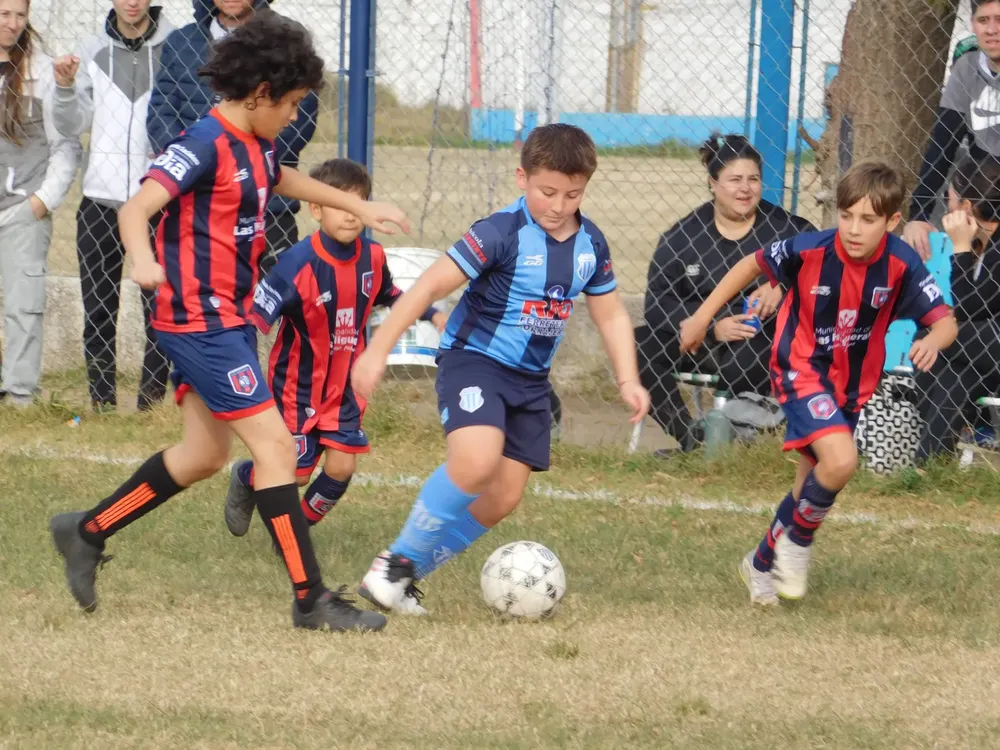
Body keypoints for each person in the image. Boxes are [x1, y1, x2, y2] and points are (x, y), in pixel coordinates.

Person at [49, 14, 410, 633]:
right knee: (275, 449)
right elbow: (138, 207)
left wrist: (356, 204)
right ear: (261, 93)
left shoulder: (256, 144)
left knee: (202, 455)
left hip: (229, 321)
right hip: (198, 323)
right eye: (293, 103)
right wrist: (140, 257)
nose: (295, 116)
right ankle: (311, 600)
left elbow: (281, 177)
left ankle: (85, 531)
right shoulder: (205, 142)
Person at [349, 123, 651, 615]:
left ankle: (405, 578)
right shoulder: (499, 232)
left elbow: (612, 312)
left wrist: (628, 378)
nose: (558, 205)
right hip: (476, 362)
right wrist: (377, 349)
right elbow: (426, 288)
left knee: (503, 496)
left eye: (572, 194)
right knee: (476, 460)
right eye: (547, 191)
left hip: (530, 382)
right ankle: (393, 564)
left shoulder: (591, 245)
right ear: (522, 178)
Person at [679, 161, 958, 606]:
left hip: (852, 386)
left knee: (816, 479)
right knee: (842, 461)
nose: (853, 228)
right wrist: (700, 316)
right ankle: (799, 544)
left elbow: (946, 321)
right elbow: (751, 264)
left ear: (891, 223)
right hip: (801, 369)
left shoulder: (901, 263)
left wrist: (934, 340)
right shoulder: (811, 250)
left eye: (867, 220)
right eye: (846, 215)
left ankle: (760, 561)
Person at [224, 158, 446, 534]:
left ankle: (296, 532)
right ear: (315, 209)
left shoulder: (373, 258)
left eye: (357, 204)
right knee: (294, 474)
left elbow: (392, 295)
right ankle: (246, 476)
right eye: (339, 205)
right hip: (296, 390)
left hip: (344, 390)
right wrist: (240, 367)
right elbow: (255, 319)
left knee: (342, 467)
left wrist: (433, 314)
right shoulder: (296, 264)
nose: (350, 215)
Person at [639, 133, 815, 452]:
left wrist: (784, 284)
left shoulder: (788, 229)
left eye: (753, 179)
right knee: (639, 344)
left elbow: (823, 268)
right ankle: (691, 438)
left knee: (749, 355)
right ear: (713, 183)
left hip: (759, 341)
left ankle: (735, 439)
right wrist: (712, 326)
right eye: (734, 179)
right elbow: (657, 304)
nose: (745, 188)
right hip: (701, 339)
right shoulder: (682, 236)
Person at [50, 0, 174, 412]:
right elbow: (72, 125)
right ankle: (101, 401)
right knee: (99, 306)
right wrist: (65, 88)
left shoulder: (176, 46)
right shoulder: (89, 50)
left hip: (156, 200)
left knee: (159, 308)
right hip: (100, 201)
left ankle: (150, 403)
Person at [147, 0, 316, 273]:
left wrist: (243, 156)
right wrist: (199, 160)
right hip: (193, 205)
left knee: (270, 301)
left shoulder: (287, 37)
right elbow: (160, 112)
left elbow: (300, 120)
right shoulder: (182, 41)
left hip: (268, 209)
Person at [0, 0, 81, 407]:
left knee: (22, 308)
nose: (13, 24)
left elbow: (66, 143)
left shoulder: (41, 71)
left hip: (21, 211)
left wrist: (42, 201)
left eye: (19, 14)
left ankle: (18, 396)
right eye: (4, 14)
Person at [916, 155, 1000, 460]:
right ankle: (926, 465)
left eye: (948, 200)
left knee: (934, 337)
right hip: (985, 351)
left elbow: (965, 308)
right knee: (956, 372)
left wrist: (961, 247)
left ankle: (930, 460)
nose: (946, 210)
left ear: (966, 208)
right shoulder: (988, 246)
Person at [903, 0, 1000, 260]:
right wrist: (919, 214)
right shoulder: (966, 69)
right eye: (983, 20)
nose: (992, 29)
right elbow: (941, 147)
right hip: (985, 194)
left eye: (999, 20)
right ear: (973, 26)